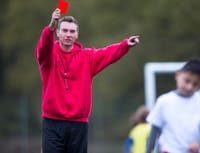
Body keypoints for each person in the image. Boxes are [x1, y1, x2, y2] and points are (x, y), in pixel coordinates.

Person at [35, 8, 140, 153]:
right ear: (57, 33)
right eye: (64, 30)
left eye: (72, 32)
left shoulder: (87, 57)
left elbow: (107, 53)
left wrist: (125, 45)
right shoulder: (48, 57)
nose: (68, 35)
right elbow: (43, 48)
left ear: (77, 35)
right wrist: (51, 26)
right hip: (52, 123)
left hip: (78, 124)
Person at [146, 59, 200, 153]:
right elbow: (154, 132)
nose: (190, 87)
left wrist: (199, 143)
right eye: (187, 81)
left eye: (195, 84)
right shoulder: (163, 101)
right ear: (177, 75)